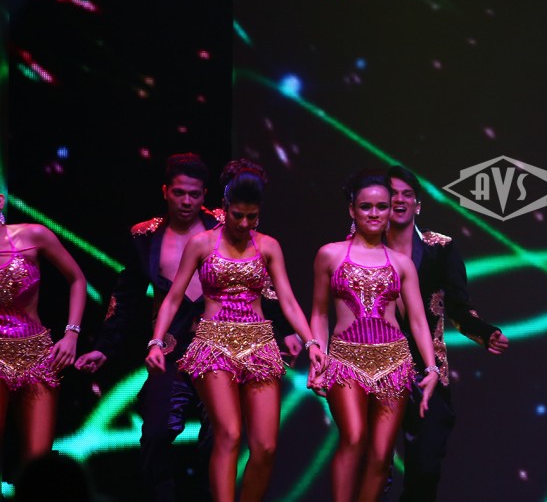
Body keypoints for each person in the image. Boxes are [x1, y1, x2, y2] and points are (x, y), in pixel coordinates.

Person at [144, 159, 325, 502]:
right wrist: (156, 341)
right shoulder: (201, 244)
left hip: (259, 346)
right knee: (228, 434)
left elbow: (287, 299)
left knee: (266, 446)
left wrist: (312, 342)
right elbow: (173, 297)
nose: (244, 224)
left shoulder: (268, 246)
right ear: (224, 207)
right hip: (213, 344)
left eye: (251, 217)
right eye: (237, 215)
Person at [74, 153, 223, 501]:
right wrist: (104, 348)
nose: (186, 201)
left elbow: (257, 279)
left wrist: (282, 331)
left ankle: (210, 494)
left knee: (221, 432)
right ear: (165, 191)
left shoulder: (222, 228)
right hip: (168, 347)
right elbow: (125, 296)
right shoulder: (145, 236)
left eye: (195, 194)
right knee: (156, 432)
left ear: (204, 195)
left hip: (219, 345)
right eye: (179, 192)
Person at [310, 170, 442, 502]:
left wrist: (431, 367)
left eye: (382, 207)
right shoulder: (330, 254)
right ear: (352, 209)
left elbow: (418, 320)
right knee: (354, 438)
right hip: (346, 360)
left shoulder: (401, 263)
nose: (374, 213)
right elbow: (320, 313)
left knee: (382, 455)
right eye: (366, 206)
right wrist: (317, 353)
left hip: (393, 362)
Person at [381, 165, 508, 500]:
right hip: (375, 365)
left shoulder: (440, 248)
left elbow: (458, 306)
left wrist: (484, 333)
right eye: (392, 194)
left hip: (428, 369)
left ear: (418, 205)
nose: (399, 200)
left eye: (407, 194)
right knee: (375, 467)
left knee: (425, 466)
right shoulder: (363, 250)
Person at [0, 192, 87, 471]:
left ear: (0, 201)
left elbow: (77, 279)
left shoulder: (33, 235)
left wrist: (72, 334)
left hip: (35, 354)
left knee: (39, 462)